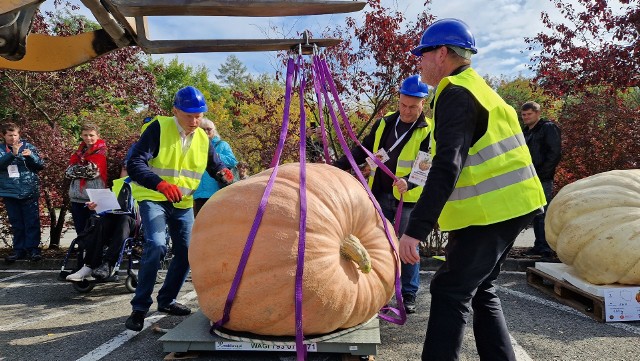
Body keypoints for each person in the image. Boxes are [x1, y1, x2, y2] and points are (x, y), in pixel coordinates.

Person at [400, 18, 547, 360]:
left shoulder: (456, 93)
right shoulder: (479, 89)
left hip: (491, 213)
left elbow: (447, 165)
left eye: (422, 54)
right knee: (482, 290)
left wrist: (415, 229)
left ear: (440, 54)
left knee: (450, 291)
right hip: (513, 207)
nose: (419, 62)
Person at [124, 86, 234, 332]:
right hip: (153, 196)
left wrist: (223, 174)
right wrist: (160, 184)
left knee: (187, 251)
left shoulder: (203, 140)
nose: (195, 121)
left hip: (182, 202)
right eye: (189, 115)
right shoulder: (158, 128)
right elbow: (134, 163)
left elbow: (216, 166)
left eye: (199, 115)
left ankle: (167, 300)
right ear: (175, 110)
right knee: (156, 244)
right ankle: (139, 308)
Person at [333, 74, 431, 314]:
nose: (407, 111)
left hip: (406, 201)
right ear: (398, 100)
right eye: (403, 105)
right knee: (377, 245)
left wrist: (409, 183)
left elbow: (426, 167)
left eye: (413, 107)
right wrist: (335, 167)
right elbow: (362, 150)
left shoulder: (429, 131)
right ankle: (380, 292)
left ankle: (408, 294)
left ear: (423, 104)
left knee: (407, 247)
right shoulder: (384, 123)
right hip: (377, 194)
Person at [65, 178, 137, 281]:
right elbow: (109, 207)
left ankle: (108, 264)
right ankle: (89, 266)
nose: (125, 171)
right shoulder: (119, 184)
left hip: (135, 222)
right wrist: (96, 206)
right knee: (102, 221)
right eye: (124, 168)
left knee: (124, 220)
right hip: (114, 218)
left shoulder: (146, 183)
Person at [521, 101, 562, 258]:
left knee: (542, 213)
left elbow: (555, 153)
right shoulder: (526, 132)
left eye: (529, 114)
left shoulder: (548, 128)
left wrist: (543, 174)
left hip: (542, 178)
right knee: (533, 214)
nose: (526, 117)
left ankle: (544, 248)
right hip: (527, 178)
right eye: (523, 115)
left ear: (538, 113)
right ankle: (539, 246)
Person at [0, 122, 45, 262]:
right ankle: (18, 250)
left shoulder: (28, 146)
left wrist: (31, 156)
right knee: (16, 223)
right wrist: (12, 154)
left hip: (28, 190)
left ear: (19, 135)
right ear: (3, 136)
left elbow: (40, 165)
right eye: (9, 135)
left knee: (32, 222)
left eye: (15, 135)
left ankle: (33, 250)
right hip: (10, 192)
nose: (13, 138)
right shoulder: (1, 149)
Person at [67, 123, 107, 233]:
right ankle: (82, 250)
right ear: (81, 135)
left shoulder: (101, 151)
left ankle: (93, 251)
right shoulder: (79, 151)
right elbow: (67, 172)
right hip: (77, 197)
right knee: (80, 231)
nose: (88, 138)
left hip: (94, 198)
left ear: (98, 135)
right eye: (85, 135)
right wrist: (81, 169)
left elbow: (92, 172)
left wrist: (75, 169)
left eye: (91, 135)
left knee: (95, 231)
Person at [193, 118, 238, 216]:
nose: (206, 132)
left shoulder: (222, 145)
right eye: (202, 129)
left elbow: (232, 161)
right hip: (198, 193)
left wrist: (214, 155)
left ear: (214, 130)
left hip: (216, 192)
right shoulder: (193, 145)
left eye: (208, 129)